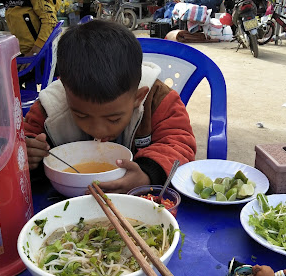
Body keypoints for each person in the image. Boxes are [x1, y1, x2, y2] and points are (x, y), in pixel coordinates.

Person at [24, 20, 196, 192]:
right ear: (66, 95)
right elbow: (22, 142)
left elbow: (179, 143)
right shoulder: (50, 108)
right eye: (82, 115)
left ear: (138, 97)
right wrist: (30, 156)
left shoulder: (157, 99)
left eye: (113, 118)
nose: (98, 131)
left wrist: (146, 175)